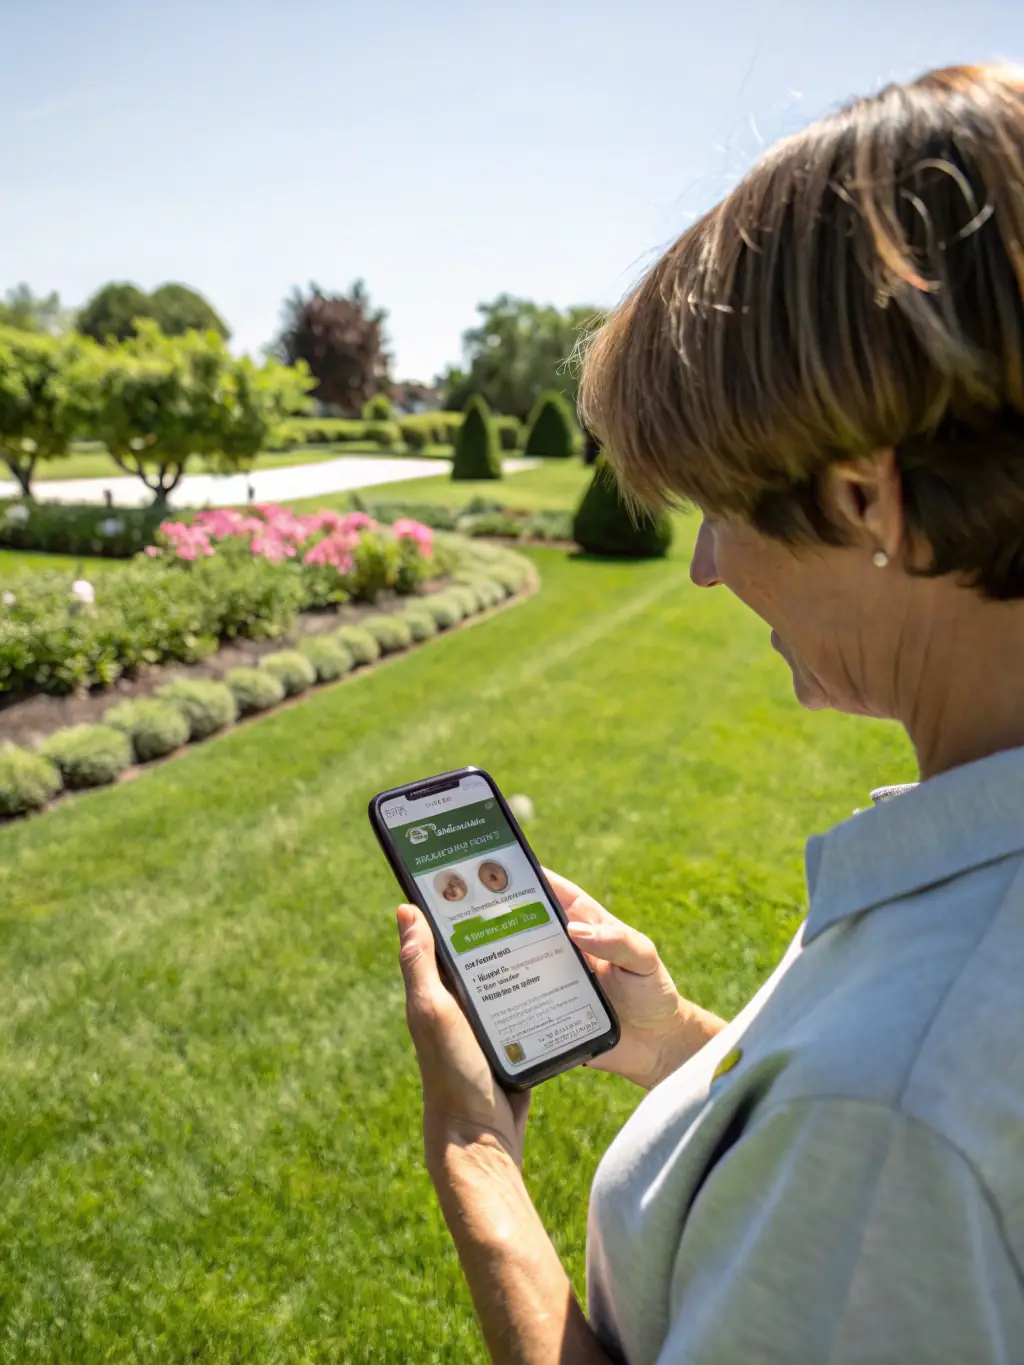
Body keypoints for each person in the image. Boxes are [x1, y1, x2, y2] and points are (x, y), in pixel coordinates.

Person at [396, 65, 1024, 1364]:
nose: (706, 566)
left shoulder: (884, 1118)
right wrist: (689, 1046)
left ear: (867, 504)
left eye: (721, 509)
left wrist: (476, 1167)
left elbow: (890, 1132)